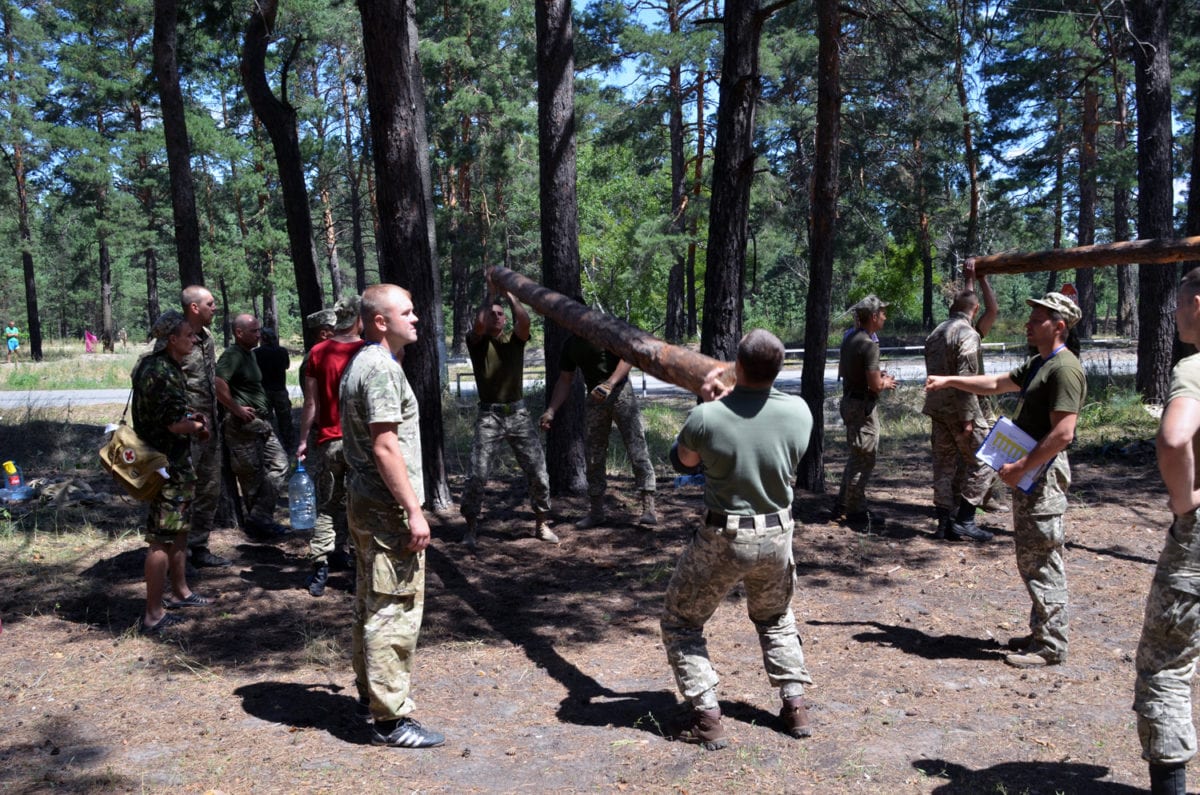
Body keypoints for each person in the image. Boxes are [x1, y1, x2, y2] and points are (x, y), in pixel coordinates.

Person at [661, 329, 815, 750]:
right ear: (778, 368)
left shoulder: (708, 417)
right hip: (778, 533)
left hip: (724, 536)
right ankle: (795, 706)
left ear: (738, 366)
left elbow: (683, 460)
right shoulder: (800, 412)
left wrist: (711, 403)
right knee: (776, 617)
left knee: (681, 620)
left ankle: (708, 716)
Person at [925, 291, 1085, 669]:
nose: (1028, 323)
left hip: (1042, 474)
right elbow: (996, 384)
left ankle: (1051, 645)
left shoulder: (1065, 369)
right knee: (1032, 557)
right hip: (1031, 472)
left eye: (1038, 318)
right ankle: (1041, 632)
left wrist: (1021, 466)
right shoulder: (1039, 363)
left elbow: (1064, 433)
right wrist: (951, 380)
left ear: (1058, 326)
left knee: (1043, 558)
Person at [340, 283, 444, 748]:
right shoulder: (380, 369)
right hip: (385, 511)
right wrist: (414, 511)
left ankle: (370, 696)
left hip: (367, 503)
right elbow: (385, 446)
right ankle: (391, 719)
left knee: (370, 600)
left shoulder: (365, 363)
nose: (416, 318)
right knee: (393, 610)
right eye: (408, 311)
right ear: (380, 321)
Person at [1133, 267, 1200, 795]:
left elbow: (1174, 439)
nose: (1175, 315)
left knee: (1166, 667)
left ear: (1197, 303)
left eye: (1177, 304)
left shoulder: (1194, 368)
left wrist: (1185, 504)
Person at [132, 311, 215, 635]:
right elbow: (172, 424)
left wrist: (187, 416)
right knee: (161, 540)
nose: (194, 340)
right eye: (189, 335)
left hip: (172, 463)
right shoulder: (163, 371)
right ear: (172, 340)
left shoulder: (154, 365)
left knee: (178, 530)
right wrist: (197, 426)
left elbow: (166, 411)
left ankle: (180, 591)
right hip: (167, 466)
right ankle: (153, 613)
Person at [461, 288, 556, 548]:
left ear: (505, 320)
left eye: (500, 314)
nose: (495, 316)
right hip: (489, 415)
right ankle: (470, 527)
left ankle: (541, 524)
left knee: (538, 470)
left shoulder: (515, 341)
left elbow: (524, 322)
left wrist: (512, 296)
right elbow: (479, 324)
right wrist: (491, 294)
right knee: (477, 474)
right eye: (491, 313)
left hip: (518, 414)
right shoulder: (476, 342)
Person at [539, 334, 657, 528]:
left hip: (621, 393)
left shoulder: (603, 330)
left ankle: (648, 508)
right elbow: (565, 380)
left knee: (637, 449)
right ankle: (596, 512)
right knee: (593, 455)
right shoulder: (569, 343)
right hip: (595, 397)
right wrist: (551, 410)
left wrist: (609, 384)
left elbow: (628, 357)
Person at [296, 296, 364, 597]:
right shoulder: (367, 351)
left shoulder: (317, 353)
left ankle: (320, 567)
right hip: (360, 443)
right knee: (360, 505)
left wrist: (302, 440)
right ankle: (361, 569)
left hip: (328, 441)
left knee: (327, 505)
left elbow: (311, 402)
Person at [921, 289, 995, 543]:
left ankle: (944, 524)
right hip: (960, 410)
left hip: (938, 410)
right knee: (988, 459)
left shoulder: (935, 333)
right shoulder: (968, 334)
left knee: (944, 466)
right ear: (974, 311)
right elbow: (967, 377)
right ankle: (965, 520)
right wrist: (967, 417)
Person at [216, 313, 290, 538]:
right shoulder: (232, 355)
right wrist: (236, 409)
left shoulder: (249, 355)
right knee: (251, 476)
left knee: (280, 464)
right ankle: (259, 526)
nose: (259, 335)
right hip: (242, 425)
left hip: (260, 422)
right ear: (239, 333)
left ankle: (259, 516)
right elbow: (218, 383)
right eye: (254, 331)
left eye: (259, 331)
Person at [835, 295, 897, 529]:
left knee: (856, 456)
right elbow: (873, 385)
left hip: (850, 402)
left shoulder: (850, 338)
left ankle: (843, 504)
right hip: (863, 408)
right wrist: (885, 382)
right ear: (873, 316)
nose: (885, 316)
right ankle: (856, 513)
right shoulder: (869, 345)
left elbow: (854, 374)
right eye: (882, 313)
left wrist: (877, 380)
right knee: (864, 459)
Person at [180, 286, 230, 568]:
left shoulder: (207, 338)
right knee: (183, 488)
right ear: (194, 307)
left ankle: (199, 547)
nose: (215, 308)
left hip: (210, 426)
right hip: (186, 429)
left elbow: (211, 379)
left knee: (209, 487)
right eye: (210, 304)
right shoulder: (174, 337)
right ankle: (177, 549)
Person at [963, 259, 1009, 514]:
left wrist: (979, 278)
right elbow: (974, 305)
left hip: (981, 398)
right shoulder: (959, 332)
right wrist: (974, 279)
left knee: (994, 444)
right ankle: (970, 500)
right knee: (978, 448)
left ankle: (987, 495)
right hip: (967, 400)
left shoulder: (974, 332)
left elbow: (990, 309)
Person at [254, 328, 294, 450]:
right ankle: (289, 445)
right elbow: (287, 366)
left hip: (264, 391)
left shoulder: (256, 353)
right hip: (280, 389)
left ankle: (268, 446)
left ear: (263, 339)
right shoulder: (282, 351)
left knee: (266, 420)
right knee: (285, 419)